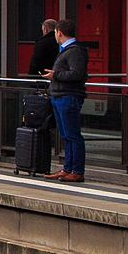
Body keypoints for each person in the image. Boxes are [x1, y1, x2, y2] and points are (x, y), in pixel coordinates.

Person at [43, 18, 87, 183]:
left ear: (58, 32)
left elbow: (77, 73)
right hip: (60, 96)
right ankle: (67, 169)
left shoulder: (74, 50)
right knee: (66, 135)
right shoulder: (67, 50)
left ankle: (77, 170)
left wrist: (56, 75)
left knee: (72, 135)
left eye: (55, 32)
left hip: (69, 97)